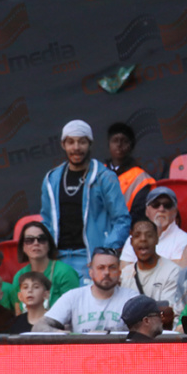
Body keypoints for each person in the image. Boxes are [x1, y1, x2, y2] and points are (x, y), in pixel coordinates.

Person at [40, 119, 130, 281]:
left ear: (90, 144)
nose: (76, 147)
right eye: (71, 142)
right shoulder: (51, 179)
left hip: (90, 258)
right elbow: (47, 220)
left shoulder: (104, 177)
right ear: (63, 145)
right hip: (57, 259)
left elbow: (121, 219)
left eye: (82, 142)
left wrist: (105, 252)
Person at [35, 248, 138, 333]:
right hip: (81, 355)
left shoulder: (131, 298)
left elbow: (151, 325)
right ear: (91, 272)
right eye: (101, 268)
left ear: (119, 272)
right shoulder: (73, 297)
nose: (106, 272)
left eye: (112, 268)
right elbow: (39, 327)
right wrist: (62, 334)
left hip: (120, 355)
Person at [8, 220, 78, 310]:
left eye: (41, 239)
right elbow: (18, 312)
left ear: (49, 245)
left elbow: (74, 310)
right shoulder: (19, 276)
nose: (36, 243)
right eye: (29, 240)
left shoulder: (65, 272)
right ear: (23, 247)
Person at [120, 186, 187, 265]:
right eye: (155, 204)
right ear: (147, 211)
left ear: (175, 211)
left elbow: (177, 274)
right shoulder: (133, 238)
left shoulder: (186, 242)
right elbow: (124, 271)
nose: (161, 209)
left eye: (167, 205)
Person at [103, 122, 154, 220]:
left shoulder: (141, 178)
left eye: (124, 141)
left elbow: (140, 213)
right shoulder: (97, 173)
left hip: (129, 231)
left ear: (131, 146)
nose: (119, 145)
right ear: (109, 145)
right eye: (115, 140)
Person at [121, 219, 180, 302]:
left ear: (157, 239)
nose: (143, 239)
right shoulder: (125, 274)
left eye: (149, 235)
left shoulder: (172, 272)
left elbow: (167, 310)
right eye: (137, 235)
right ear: (131, 241)